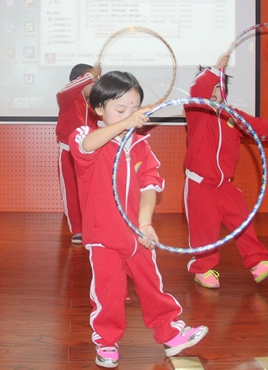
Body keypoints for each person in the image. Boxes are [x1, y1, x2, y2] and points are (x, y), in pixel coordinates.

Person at [70, 71, 208, 368]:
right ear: (99, 109)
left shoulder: (141, 145)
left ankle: (170, 334)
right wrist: (124, 124)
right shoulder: (86, 136)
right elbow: (86, 145)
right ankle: (107, 343)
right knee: (109, 293)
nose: (129, 115)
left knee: (152, 286)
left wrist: (145, 223)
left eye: (134, 109)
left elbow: (149, 187)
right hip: (104, 237)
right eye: (120, 109)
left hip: (137, 236)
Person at [184, 54, 268, 289]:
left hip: (225, 185)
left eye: (219, 87)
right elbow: (198, 89)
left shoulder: (232, 116)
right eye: (212, 86)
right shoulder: (197, 111)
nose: (214, 91)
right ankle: (203, 270)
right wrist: (215, 69)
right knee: (204, 231)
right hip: (201, 184)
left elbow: (259, 126)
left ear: (225, 93)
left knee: (243, 222)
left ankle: (257, 263)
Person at [55, 63, 101, 245]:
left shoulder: (92, 106)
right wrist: (91, 74)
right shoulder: (67, 98)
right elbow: (65, 90)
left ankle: (93, 227)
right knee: (71, 191)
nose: (95, 84)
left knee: (92, 191)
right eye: (93, 81)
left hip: (91, 155)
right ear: (81, 80)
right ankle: (78, 230)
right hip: (69, 153)